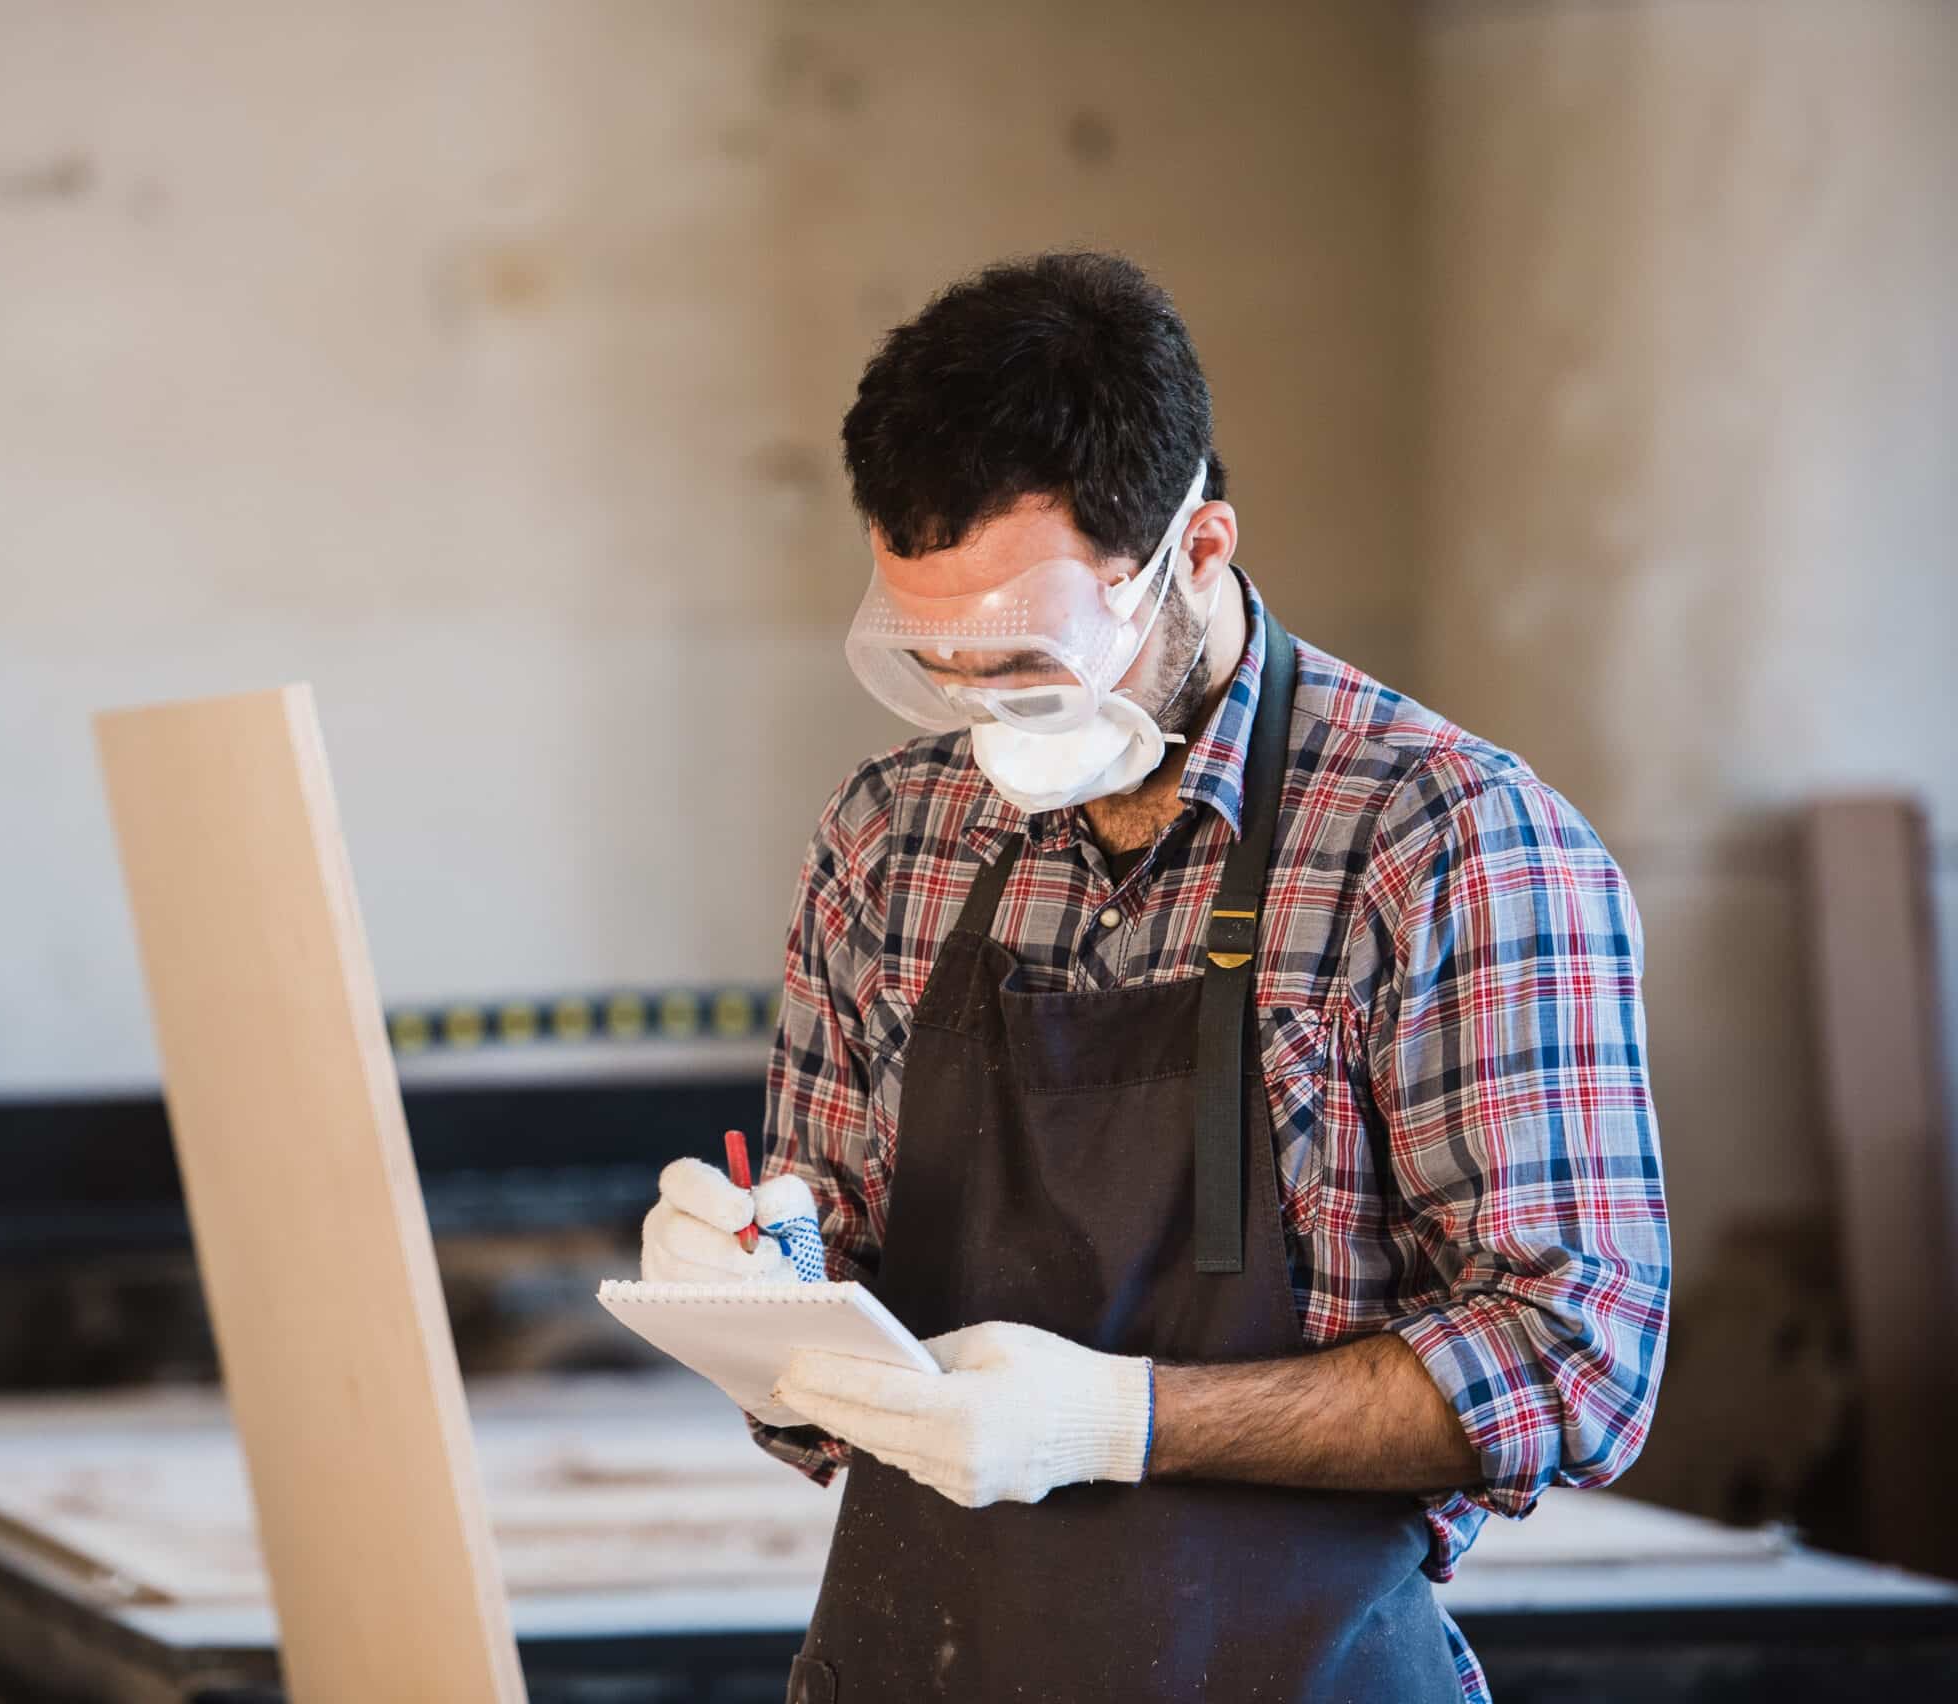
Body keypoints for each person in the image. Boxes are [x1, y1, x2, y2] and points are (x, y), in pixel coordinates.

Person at [640, 252, 1669, 1703]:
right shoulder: (892, 839)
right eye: (944, 665)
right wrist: (764, 1305)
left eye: (1034, 662)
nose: (991, 718)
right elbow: (845, 1282)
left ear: (1198, 551)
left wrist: (1125, 1421)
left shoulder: (1443, 844)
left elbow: (1577, 1356)